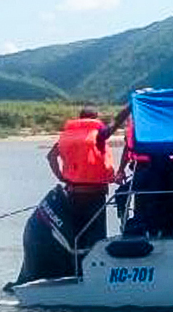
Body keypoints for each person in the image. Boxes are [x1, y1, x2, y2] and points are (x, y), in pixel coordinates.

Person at [46, 105, 129, 247]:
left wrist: (60, 176)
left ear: (80, 118)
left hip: (72, 193)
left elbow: (51, 157)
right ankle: (92, 265)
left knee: (78, 233)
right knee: (95, 237)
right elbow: (116, 121)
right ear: (95, 118)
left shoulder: (67, 136)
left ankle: (76, 264)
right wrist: (130, 106)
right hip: (94, 194)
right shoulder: (99, 134)